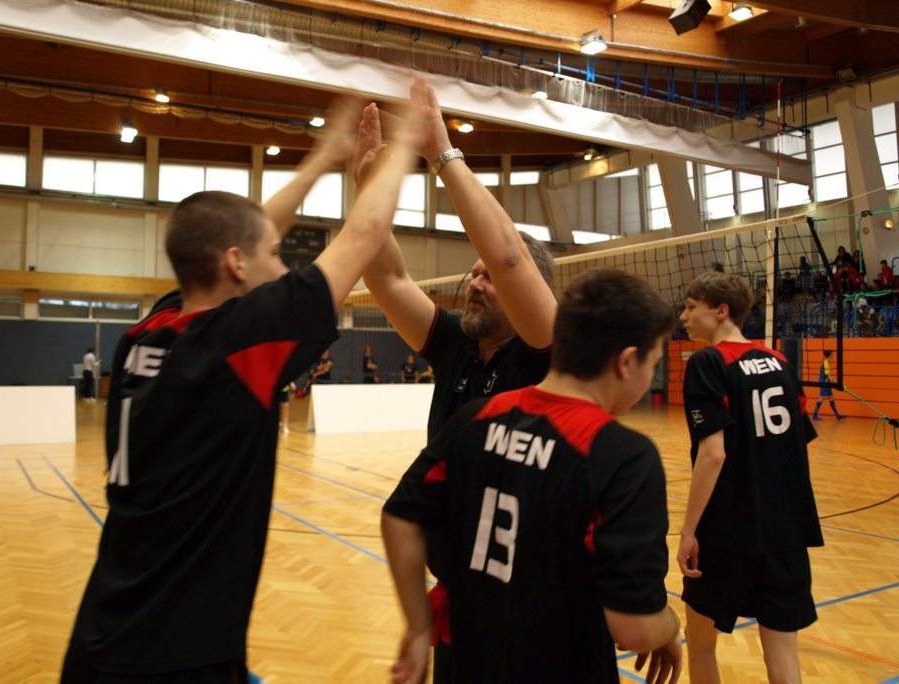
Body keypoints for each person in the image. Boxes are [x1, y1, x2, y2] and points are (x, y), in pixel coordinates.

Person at [60, 88, 421, 683]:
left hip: (101, 634)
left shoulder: (147, 335)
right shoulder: (237, 345)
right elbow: (364, 234)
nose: (282, 267)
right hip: (181, 659)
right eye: (277, 256)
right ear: (235, 264)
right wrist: (408, 140)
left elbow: (245, 234)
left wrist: (322, 158)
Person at [382, 268, 681, 684]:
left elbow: (398, 516)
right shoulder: (623, 456)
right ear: (627, 362)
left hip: (467, 660)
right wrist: (668, 624)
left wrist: (418, 627)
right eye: (654, 363)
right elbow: (635, 629)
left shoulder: (476, 417)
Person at [357, 78, 558, 681]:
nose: (475, 282)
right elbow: (388, 279)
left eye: (486, 276)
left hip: (533, 598)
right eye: (472, 274)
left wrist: (441, 153)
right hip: (460, 594)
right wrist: (368, 188)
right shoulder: (453, 341)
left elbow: (511, 257)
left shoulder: (545, 350)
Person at [676, 271, 824, 684]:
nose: (683, 316)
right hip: (786, 532)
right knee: (783, 656)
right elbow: (797, 443)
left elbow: (713, 454)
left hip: (728, 531)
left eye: (691, 307)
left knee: (700, 645)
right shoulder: (781, 362)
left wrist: (688, 531)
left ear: (721, 311)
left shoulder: (708, 362)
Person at [813, 349, 845, 420]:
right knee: (821, 398)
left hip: (827, 383)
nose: (833, 355)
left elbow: (828, 376)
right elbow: (828, 376)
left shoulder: (826, 363)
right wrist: (837, 383)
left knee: (831, 398)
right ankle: (814, 415)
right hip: (824, 384)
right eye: (832, 354)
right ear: (830, 355)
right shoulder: (826, 364)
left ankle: (837, 415)